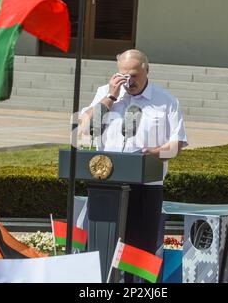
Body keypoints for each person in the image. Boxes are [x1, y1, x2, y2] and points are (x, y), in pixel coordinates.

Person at [79, 49, 188, 282]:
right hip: (107, 185)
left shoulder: (165, 100)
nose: (129, 81)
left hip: (146, 186)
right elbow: (86, 127)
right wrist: (110, 97)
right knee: (102, 249)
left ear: (147, 71)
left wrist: (155, 153)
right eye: (123, 74)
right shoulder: (105, 93)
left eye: (135, 75)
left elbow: (177, 145)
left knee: (139, 254)